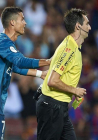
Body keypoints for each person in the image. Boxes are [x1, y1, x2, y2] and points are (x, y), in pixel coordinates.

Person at [0, 7, 51, 140]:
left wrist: (39, 74)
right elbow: (21, 61)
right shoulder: (3, 43)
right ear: (12, 22)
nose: (25, 23)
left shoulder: (1, 44)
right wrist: (48, 61)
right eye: (22, 19)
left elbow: (15, 67)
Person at [36, 8, 91, 140]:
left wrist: (73, 92)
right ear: (78, 26)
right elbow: (52, 81)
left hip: (59, 107)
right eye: (87, 24)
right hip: (52, 107)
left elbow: (62, 75)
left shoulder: (74, 47)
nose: (89, 27)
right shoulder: (69, 49)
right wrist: (74, 90)